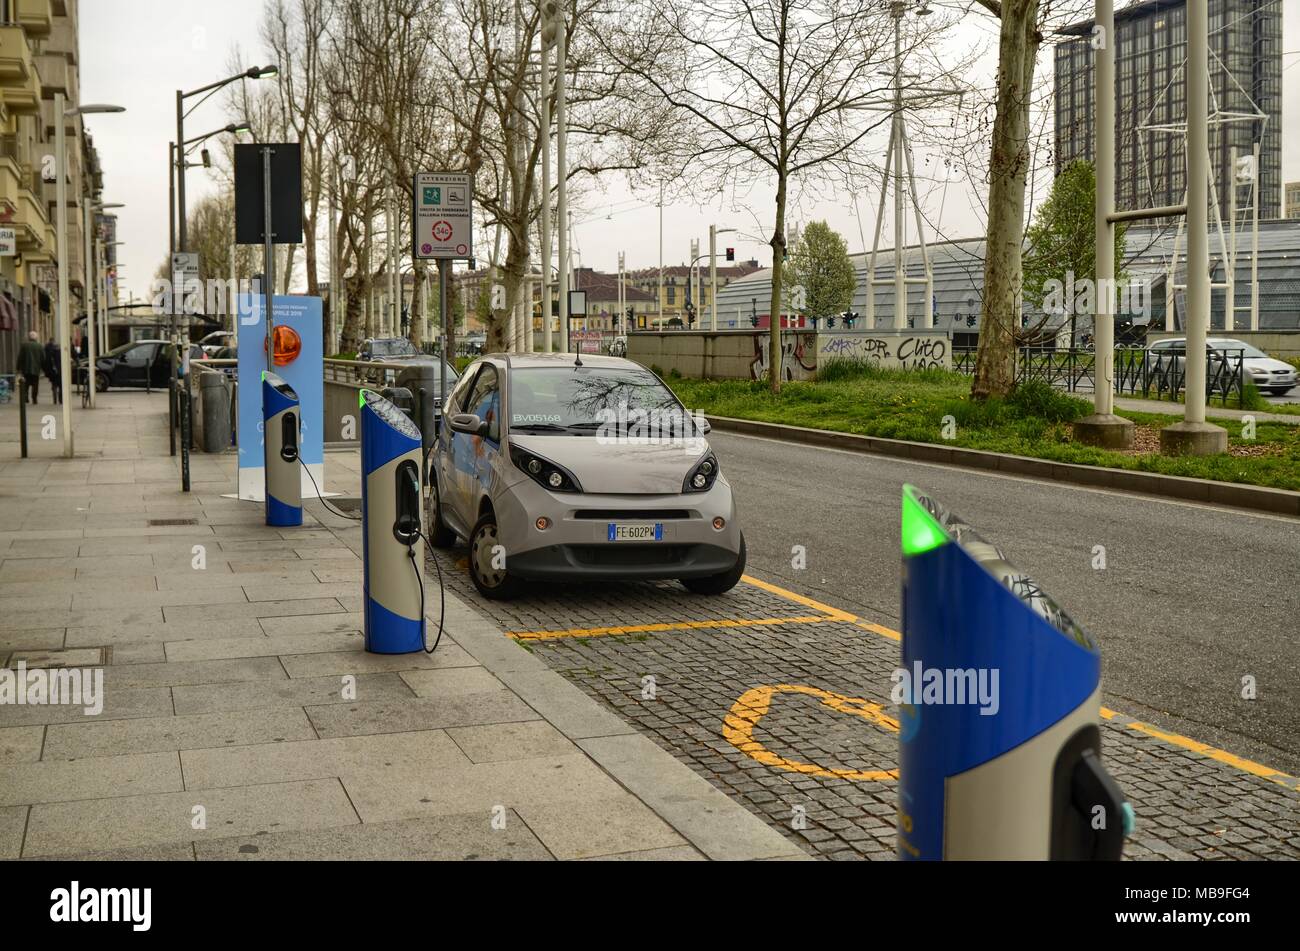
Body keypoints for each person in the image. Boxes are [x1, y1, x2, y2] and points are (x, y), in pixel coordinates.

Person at [16, 330, 42, 403]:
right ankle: (34, 399)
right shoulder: (39, 346)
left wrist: (18, 368)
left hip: (26, 369)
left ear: (29, 337)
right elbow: (43, 358)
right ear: (36, 338)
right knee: (35, 385)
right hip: (36, 369)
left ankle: (26, 398)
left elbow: (20, 357)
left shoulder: (24, 345)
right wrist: (44, 368)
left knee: (25, 385)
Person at [43, 337, 61, 405]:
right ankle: (60, 399)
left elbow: (47, 362)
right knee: (60, 386)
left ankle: (55, 398)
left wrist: (47, 371)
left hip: (53, 371)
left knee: (54, 384)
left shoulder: (49, 351)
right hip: (60, 372)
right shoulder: (60, 353)